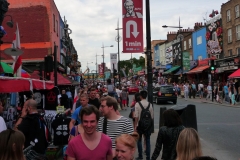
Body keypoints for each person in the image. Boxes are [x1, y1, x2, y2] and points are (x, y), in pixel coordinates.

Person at [134, 90, 153, 160]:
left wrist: (135, 126)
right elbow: (152, 117)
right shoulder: (150, 104)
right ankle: (148, 157)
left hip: (140, 125)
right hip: (148, 125)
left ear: (140, 96)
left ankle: (140, 156)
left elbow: (136, 116)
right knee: (147, 140)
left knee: (139, 140)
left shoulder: (137, 104)